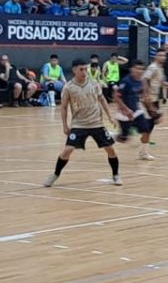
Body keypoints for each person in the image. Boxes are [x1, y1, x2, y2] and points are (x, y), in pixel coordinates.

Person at [44, 59, 121, 187]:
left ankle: (116, 175)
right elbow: (63, 107)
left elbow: (102, 100)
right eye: (81, 69)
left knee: (110, 150)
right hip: (79, 124)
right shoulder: (68, 87)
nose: (84, 72)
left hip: (97, 123)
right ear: (74, 70)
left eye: (86, 69)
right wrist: (65, 125)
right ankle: (55, 174)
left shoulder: (94, 83)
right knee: (67, 150)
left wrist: (110, 117)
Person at [115, 60, 159, 159]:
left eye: (141, 69)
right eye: (137, 68)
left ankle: (143, 153)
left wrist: (152, 109)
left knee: (146, 131)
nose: (139, 71)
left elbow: (143, 96)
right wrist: (126, 109)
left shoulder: (140, 81)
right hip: (124, 114)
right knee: (124, 139)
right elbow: (116, 97)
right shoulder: (126, 81)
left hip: (136, 112)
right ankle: (110, 136)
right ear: (132, 69)